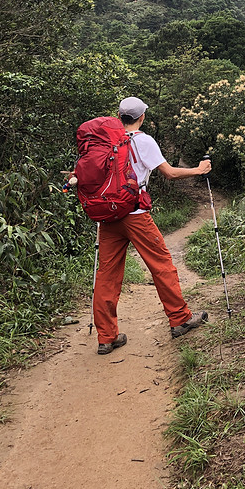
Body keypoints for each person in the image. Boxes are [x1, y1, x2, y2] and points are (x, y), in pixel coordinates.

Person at [93, 96, 212, 355]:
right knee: (162, 265)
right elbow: (169, 172)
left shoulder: (105, 141)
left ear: (119, 116)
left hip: (109, 216)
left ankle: (106, 337)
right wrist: (199, 170)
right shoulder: (143, 140)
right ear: (142, 117)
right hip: (135, 214)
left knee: (107, 275)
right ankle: (180, 319)